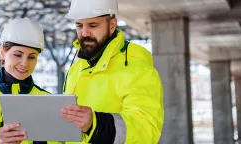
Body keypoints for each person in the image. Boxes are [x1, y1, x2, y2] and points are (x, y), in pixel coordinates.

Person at [59, 0, 164, 143]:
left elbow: (146, 130)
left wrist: (95, 125)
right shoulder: (76, 68)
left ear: (112, 25)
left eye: (93, 25)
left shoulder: (137, 68)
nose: (84, 33)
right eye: (79, 25)